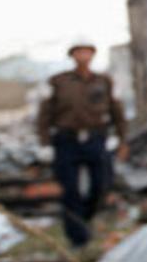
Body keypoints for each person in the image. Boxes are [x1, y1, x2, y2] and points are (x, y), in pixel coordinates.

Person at [36, 40, 128, 249]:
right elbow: (44, 115)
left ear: (93, 55)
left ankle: (83, 218)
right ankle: (78, 238)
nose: (83, 56)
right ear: (72, 55)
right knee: (69, 190)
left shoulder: (104, 81)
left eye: (87, 52)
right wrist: (45, 143)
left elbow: (117, 112)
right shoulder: (58, 82)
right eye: (79, 52)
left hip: (96, 140)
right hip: (66, 141)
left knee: (101, 184)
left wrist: (122, 140)